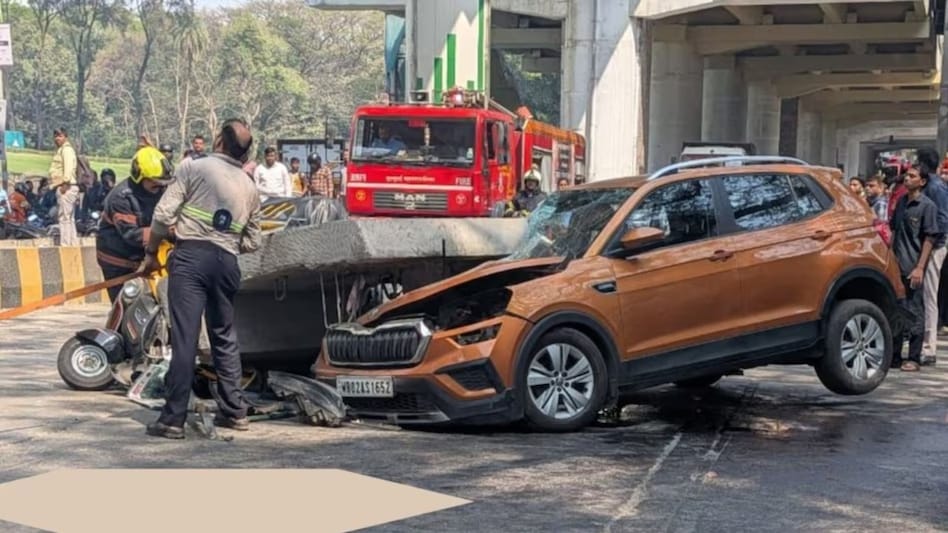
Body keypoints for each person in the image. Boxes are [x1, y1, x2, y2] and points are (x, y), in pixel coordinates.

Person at [142, 118, 262, 439]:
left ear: (220, 142)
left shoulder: (194, 167)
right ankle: (234, 412)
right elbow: (253, 241)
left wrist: (152, 252)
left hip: (191, 259)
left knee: (185, 338)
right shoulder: (249, 186)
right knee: (224, 336)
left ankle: (172, 419)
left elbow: (163, 215)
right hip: (226, 263)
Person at [95, 148, 174, 303]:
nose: (161, 189)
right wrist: (166, 233)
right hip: (117, 261)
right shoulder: (120, 198)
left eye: (163, 185)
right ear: (140, 177)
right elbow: (132, 235)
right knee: (126, 305)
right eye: (156, 184)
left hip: (144, 256)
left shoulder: (158, 192)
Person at [890, 166, 943, 372]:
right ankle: (894, 355)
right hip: (897, 266)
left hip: (914, 266)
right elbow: (894, 230)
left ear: (922, 182)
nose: (907, 179)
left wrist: (920, 267)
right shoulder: (902, 202)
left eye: (912, 176)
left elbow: (930, 238)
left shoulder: (927, 206)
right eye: (907, 176)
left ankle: (914, 357)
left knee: (915, 310)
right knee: (897, 310)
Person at [916, 147, 948, 365]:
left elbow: (943, 217)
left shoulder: (935, 187)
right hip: (926, 245)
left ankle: (929, 348)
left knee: (929, 294)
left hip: (934, 245)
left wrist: (934, 243)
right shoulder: (931, 185)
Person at [48, 127, 80, 246]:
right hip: (65, 186)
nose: (57, 138)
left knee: (64, 218)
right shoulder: (61, 150)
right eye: (55, 136)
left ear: (65, 137)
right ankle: (72, 243)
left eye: (60, 136)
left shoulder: (66, 150)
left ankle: (66, 245)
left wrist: (65, 184)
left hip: (66, 186)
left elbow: (68, 167)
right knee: (69, 218)